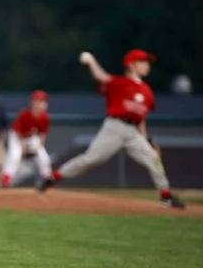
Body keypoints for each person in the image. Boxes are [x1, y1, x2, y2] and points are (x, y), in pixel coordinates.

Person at [39, 50, 185, 209]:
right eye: (143, 62)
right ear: (131, 65)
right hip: (114, 127)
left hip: (133, 132)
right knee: (91, 159)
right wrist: (91, 61)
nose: (147, 65)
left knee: (153, 159)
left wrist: (145, 138)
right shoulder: (120, 83)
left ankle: (166, 196)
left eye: (147, 62)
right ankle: (53, 177)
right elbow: (100, 77)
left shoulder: (147, 91)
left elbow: (141, 118)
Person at [0, 90, 52, 188]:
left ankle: (47, 180)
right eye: (38, 101)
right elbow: (18, 131)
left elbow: (42, 135)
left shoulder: (45, 118)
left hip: (31, 137)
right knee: (15, 155)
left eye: (42, 101)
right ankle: (6, 179)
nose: (40, 104)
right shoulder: (25, 114)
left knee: (44, 158)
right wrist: (22, 147)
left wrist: (39, 147)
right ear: (32, 102)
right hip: (16, 136)